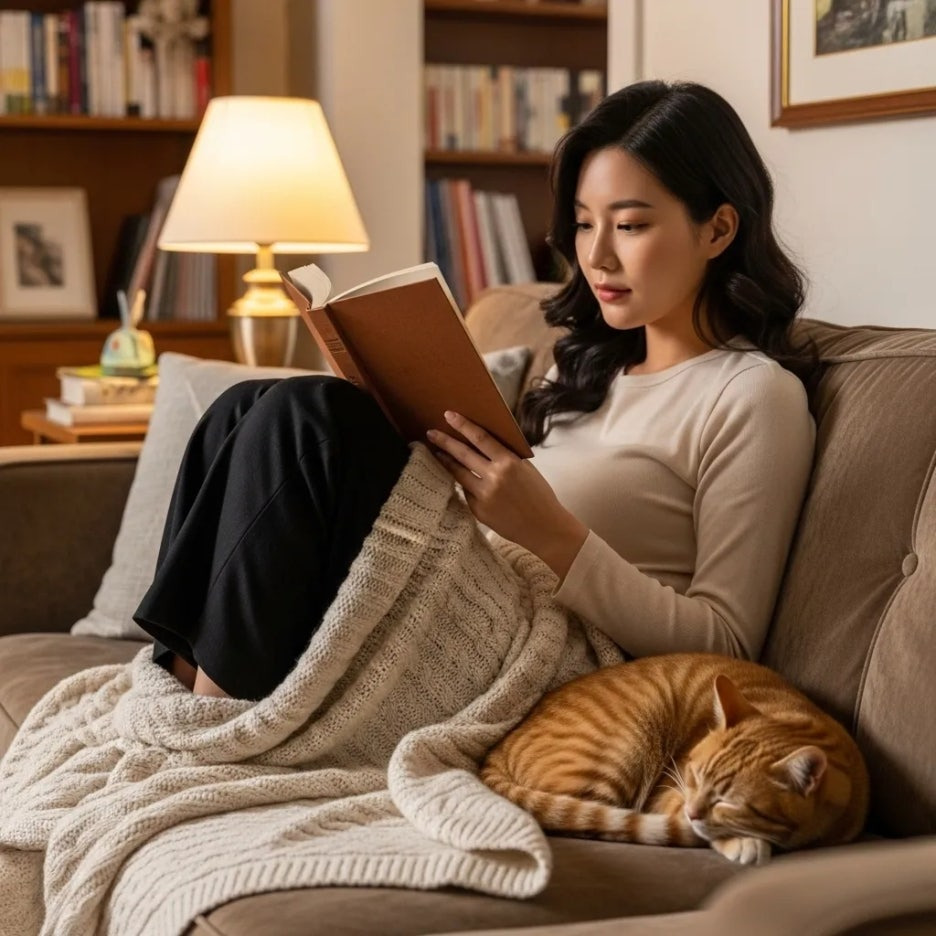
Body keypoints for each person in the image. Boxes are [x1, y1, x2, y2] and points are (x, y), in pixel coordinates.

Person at [133, 79, 816, 700]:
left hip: (543, 659)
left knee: (306, 416)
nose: (596, 255)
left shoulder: (754, 397)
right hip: (453, 592)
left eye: (630, 225)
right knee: (241, 408)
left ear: (718, 229)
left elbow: (729, 646)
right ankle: (187, 684)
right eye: (584, 223)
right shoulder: (584, 368)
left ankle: (218, 718)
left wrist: (552, 533)